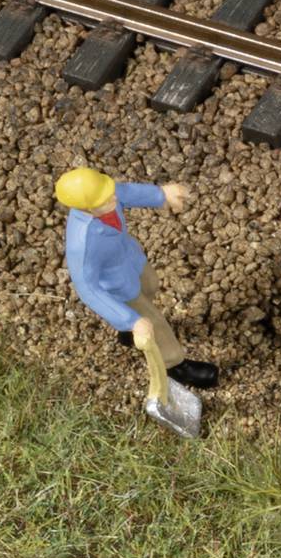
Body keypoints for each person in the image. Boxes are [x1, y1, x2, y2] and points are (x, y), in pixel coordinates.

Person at [57, 167, 217, 439]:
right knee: (152, 321)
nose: (114, 200)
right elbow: (88, 289)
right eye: (105, 200)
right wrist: (131, 320)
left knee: (151, 286)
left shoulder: (105, 195)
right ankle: (175, 364)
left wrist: (162, 194)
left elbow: (126, 192)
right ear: (85, 208)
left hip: (131, 262)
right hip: (117, 288)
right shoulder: (82, 244)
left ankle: (127, 333)